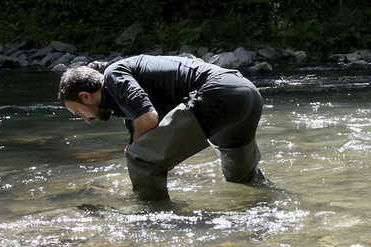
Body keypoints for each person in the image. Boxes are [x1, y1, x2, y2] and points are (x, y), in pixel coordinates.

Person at [58, 55, 264, 201]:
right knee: (243, 177)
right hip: (247, 93)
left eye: (80, 113)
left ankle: (152, 219)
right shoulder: (124, 99)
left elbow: (148, 120)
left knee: (140, 158)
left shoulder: (114, 76)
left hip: (219, 92)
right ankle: (267, 202)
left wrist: (138, 150)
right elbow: (147, 128)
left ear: (85, 96)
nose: (86, 120)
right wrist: (139, 145)